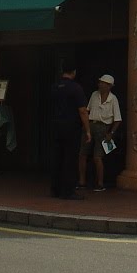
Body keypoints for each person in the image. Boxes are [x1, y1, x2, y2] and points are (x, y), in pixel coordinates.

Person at [49, 62, 90, 200]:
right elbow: (83, 110)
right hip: (71, 128)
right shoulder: (76, 88)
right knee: (70, 159)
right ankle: (68, 191)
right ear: (74, 72)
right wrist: (88, 130)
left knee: (57, 158)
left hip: (56, 126)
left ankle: (55, 189)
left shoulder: (54, 87)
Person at [78, 74, 122, 192]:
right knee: (83, 154)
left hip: (103, 127)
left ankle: (100, 183)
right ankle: (82, 181)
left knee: (98, 157)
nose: (100, 85)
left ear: (109, 86)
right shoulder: (94, 94)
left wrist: (111, 133)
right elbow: (87, 110)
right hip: (91, 124)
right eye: (100, 82)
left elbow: (117, 119)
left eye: (103, 83)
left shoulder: (113, 99)